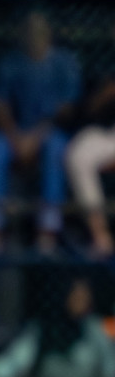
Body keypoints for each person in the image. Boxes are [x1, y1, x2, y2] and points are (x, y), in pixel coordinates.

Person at [0, 12, 81, 254]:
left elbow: (66, 110)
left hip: (49, 133)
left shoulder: (63, 63)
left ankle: (48, 229)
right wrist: (16, 137)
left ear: (49, 35)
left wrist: (36, 137)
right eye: (29, 33)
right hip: (15, 133)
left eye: (40, 33)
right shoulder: (11, 62)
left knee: (56, 149)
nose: (34, 38)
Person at [63, 28, 115, 258]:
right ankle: (100, 235)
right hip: (110, 134)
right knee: (79, 152)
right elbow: (88, 109)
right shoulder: (103, 63)